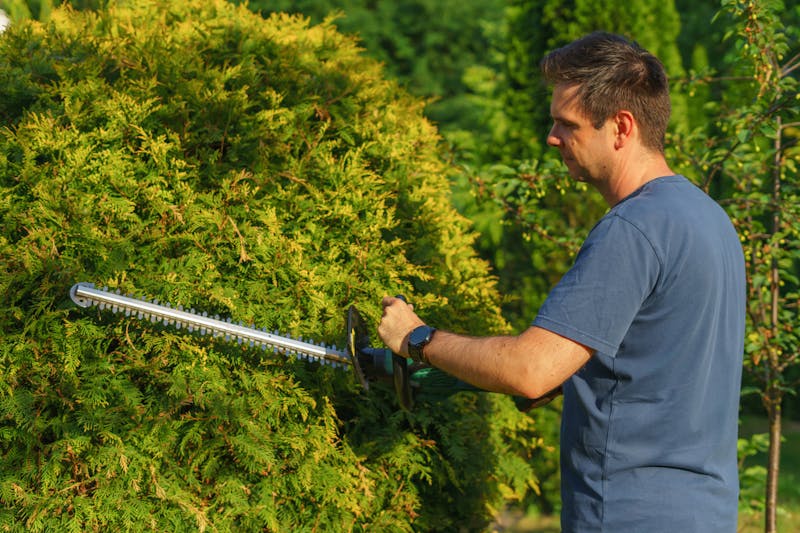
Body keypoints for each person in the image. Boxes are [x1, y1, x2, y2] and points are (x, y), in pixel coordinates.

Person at [378, 32, 745, 533]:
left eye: (567, 124)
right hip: (705, 512)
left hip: (627, 514)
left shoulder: (631, 230)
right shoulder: (708, 219)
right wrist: (467, 370)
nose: (552, 137)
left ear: (621, 127)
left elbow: (531, 370)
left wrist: (419, 339)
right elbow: (661, 360)